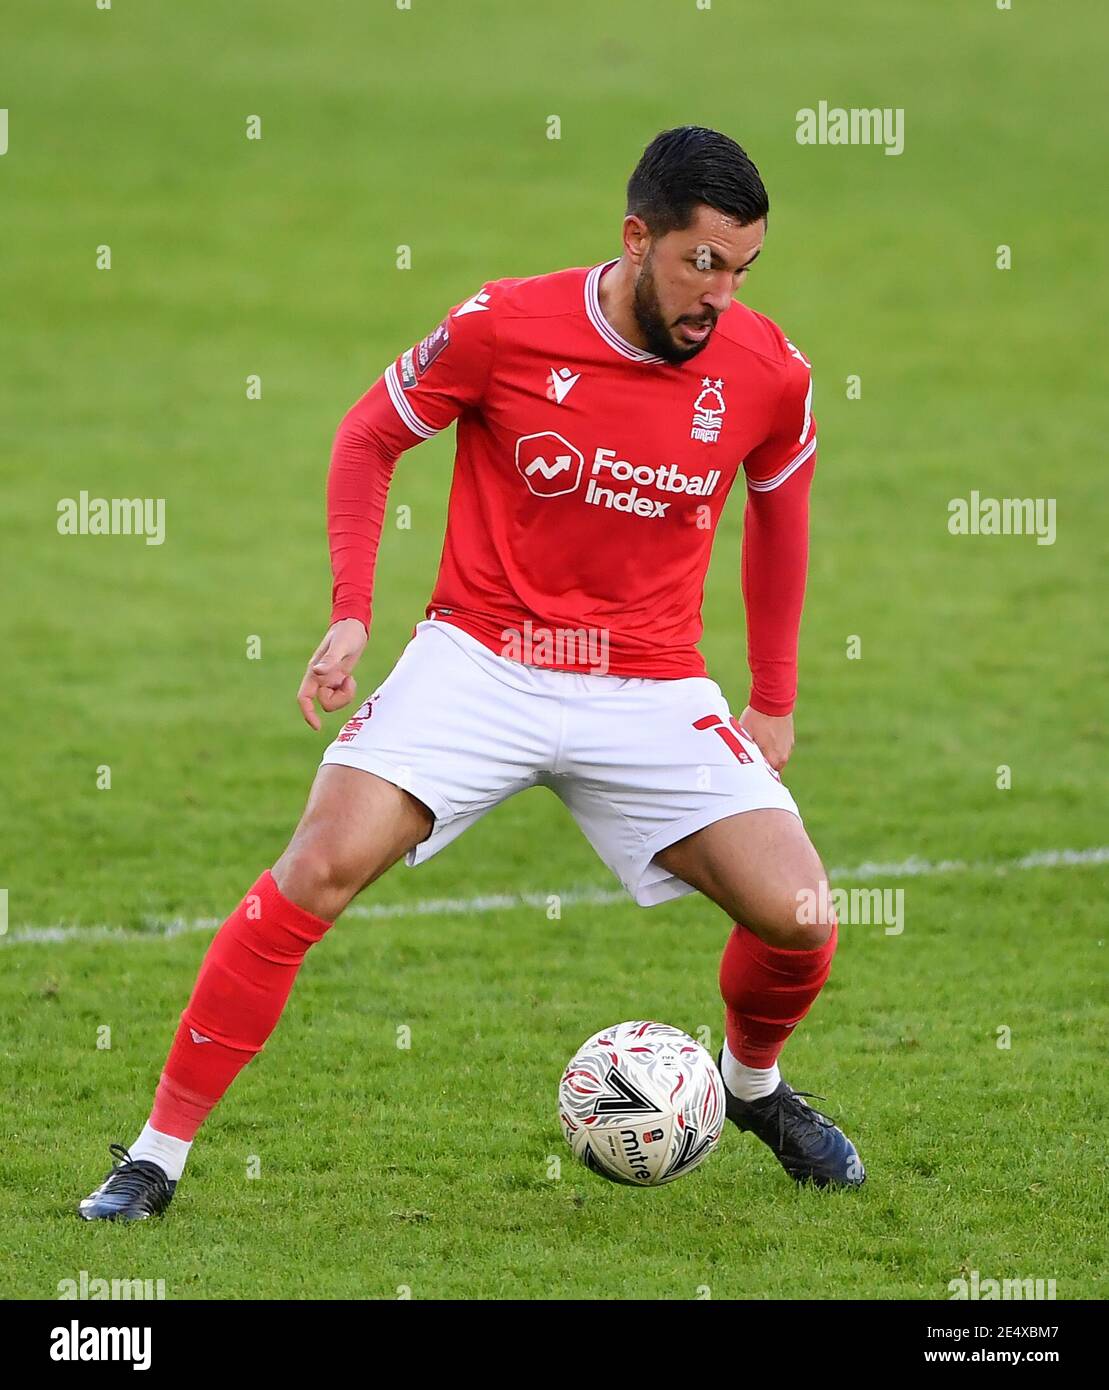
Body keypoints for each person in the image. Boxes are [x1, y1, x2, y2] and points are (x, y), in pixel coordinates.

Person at [79, 125, 863, 1222]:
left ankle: (750, 1088)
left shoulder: (766, 372)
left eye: (741, 269)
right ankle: (156, 1155)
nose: (718, 295)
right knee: (317, 866)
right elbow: (367, 435)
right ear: (635, 239)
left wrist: (772, 695)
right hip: (481, 662)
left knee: (800, 913)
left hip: (646, 685)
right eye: (700, 263)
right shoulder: (505, 325)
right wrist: (352, 612)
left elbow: (780, 516)